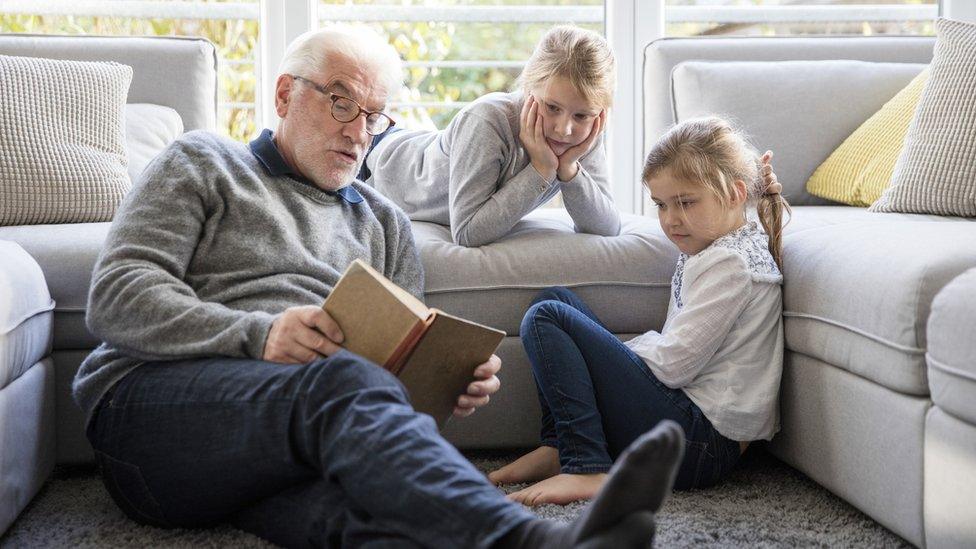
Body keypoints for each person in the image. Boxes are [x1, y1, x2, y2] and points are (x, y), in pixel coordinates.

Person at [74, 25, 685, 548]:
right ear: (285, 94)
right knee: (337, 383)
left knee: (367, 520)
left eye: (373, 115)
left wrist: (444, 383)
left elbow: (387, 399)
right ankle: (535, 540)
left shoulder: (382, 220)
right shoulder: (204, 162)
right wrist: (259, 335)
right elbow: (117, 297)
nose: (359, 131)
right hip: (152, 420)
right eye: (341, 102)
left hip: (281, 450)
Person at [490, 117, 790, 506]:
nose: (670, 219)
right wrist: (602, 354)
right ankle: (560, 446)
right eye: (662, 205)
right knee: (555, 299)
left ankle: (586, 466)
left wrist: (608, 354)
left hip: (700, 446)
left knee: (550, 317)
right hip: (687, 429)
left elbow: (675, 364)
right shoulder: (711, 248)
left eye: (685, 202)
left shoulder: (732, 264)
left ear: (734, 194)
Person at [360, 25, 621, 247]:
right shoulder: (487, 120)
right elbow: (467, 232)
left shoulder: (583, 135)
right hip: (374, 158)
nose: (564, 129)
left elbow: (607, 226)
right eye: (552, 108)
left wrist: (569, 170)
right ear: (529, 87)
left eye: (581, 116)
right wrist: (541, 170)